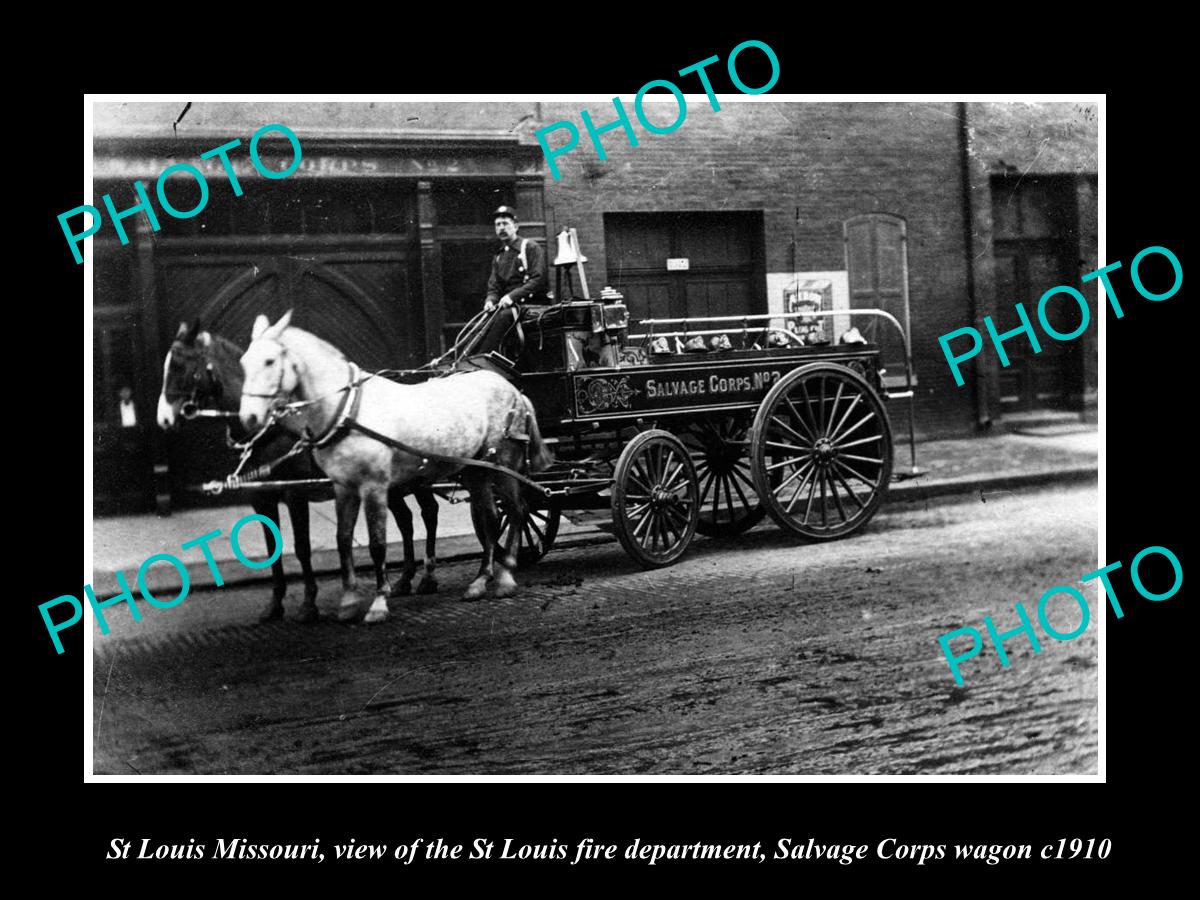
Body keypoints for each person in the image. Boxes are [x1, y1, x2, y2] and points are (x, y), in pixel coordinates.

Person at [472, 206, 548, 360]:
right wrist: (490, 301)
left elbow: (538, 280)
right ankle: (463, 360)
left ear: (516, 226)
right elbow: (494, 287)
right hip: (510, 308)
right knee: (481, 323)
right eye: (498, 224)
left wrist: (511, 296)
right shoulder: (499, 256)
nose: (501, 228)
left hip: (531, 306)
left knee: (503, 317)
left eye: (505, 223)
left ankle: (483, 360)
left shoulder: (530, 247)